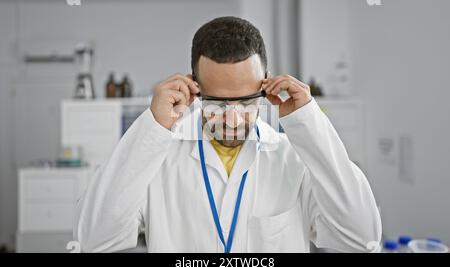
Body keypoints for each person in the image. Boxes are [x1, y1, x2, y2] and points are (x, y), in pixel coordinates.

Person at [74, 16, 381, 253]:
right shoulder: (157, 159)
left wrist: (309, 124)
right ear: (194, 90)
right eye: (217, 103)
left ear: (266, 86)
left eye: (247, 102)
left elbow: (362, 238)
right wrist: (153, 127)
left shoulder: (294, 158)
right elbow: (94, 240)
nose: (233, 119)